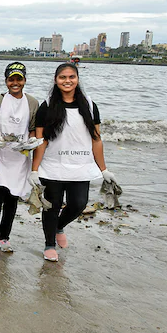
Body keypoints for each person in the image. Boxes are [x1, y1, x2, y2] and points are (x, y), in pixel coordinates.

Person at [30, 63, 116, 262]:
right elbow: (41, 140)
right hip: (53, 165)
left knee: (78, 204)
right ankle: (49, 243)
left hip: (80, 165)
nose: (67, 81)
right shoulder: (47, 105)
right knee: (52, 205)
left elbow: (96, 139)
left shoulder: (89, 105)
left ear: (77, 79)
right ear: (56, 80)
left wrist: (104, 169)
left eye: (71, 77)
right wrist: (34, 169)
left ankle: (59, 226)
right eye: (62, 77)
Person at [0, 62, 39, 256]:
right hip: (0, 157)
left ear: (24, 80)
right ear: (6, 81)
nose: (15, 83)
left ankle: (4, 238)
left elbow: (32, 127)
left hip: (19, 158)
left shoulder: (32, 102)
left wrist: (32, 140)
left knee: (12, 200)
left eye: (19, 79)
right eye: (11, 79)